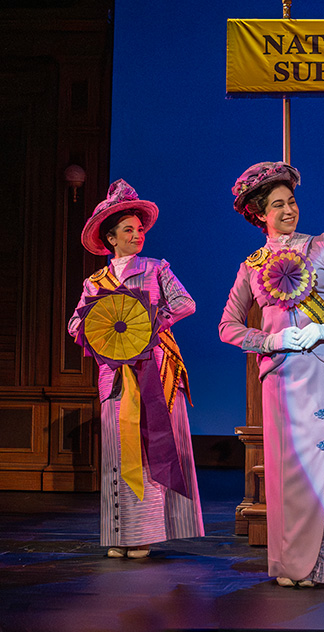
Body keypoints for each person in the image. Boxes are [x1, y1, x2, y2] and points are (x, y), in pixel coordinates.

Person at [219, 162, 324, 587]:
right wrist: (273, 340)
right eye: (277, 205)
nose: (288, 210)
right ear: (259, 214)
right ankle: (289, 564)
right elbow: (228, 326)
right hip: (282, 377)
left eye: (291, 201)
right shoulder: (252, 264)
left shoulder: (321, 245)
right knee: (289, 471)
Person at [68, 179, 204, 559]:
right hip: (115, 376)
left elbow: (185, 303)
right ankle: (120, 534)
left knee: (151, 446)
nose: (136, 235)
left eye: (139, 229)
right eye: (128, 230)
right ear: (110, 238)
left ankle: (145, 533)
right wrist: (104, 333)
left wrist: (147, 325)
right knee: (118, 450)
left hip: (155, 371)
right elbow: (76, 325)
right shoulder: (96, 282)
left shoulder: (156, 268)